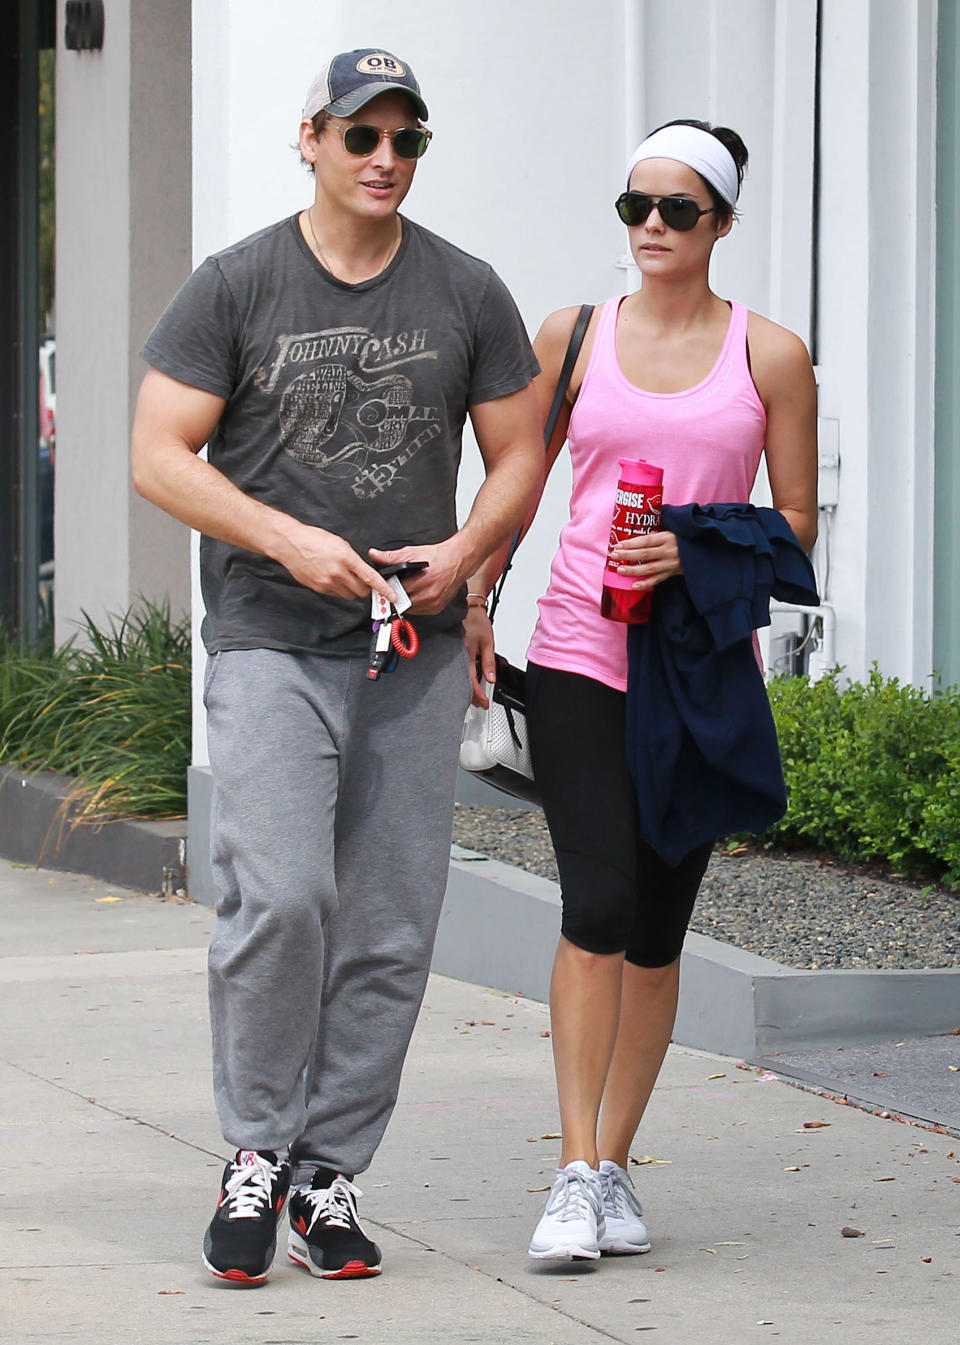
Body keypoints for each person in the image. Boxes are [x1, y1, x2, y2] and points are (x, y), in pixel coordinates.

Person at [131, 48, 542, 1285]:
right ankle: (254, 1151)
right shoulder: (238, 284)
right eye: (362, 134)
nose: (384, 159)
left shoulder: (465, 290)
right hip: (272, 634)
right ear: (309, 138)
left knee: (389, 924)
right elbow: (159, 453)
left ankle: (327, 1177)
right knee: (284, 894)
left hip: (408, 654)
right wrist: (288, 537)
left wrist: (469, 555)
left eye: (406, 140)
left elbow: (521, 454)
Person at [466, 119, 818, 1262]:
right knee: (599, 901)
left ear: (720, 222)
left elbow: (800, 535)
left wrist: (697, 552)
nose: (652, 228)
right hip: (579, 651)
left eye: (677, 209)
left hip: (702, 671)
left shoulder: (769, 355)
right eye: (636, 207)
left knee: (660, 929)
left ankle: (616, 1164)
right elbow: (517, 484)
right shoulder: (571, 336)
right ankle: (570, 1170)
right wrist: (474, 592)